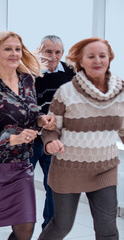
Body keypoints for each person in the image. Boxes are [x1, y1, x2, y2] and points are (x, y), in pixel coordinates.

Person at [0, 31, 55, 240]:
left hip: (20, 164)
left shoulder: (27, 80)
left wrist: (40, 120)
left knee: (25, 229)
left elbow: (28, 115)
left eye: (17, 49)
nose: (14, 53)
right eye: (8, 49)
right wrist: (14, 138)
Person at [38, 38, 122, 240]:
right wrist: (50, 142)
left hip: (105, 168)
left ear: (109, 58)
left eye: (102, 56)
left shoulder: (121, 92)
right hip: (69, 168)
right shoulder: (66, 92)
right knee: (61, 226)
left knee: (108, 230)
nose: (97, 60)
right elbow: (50, 128)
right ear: (80, 61)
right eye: (90, 56)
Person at [30, 35, 75, 230]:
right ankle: (22, 227)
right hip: (30, 138)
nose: (53, 56)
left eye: (57, 52)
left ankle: (48, 230)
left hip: (55, 139)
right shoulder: (29, 72)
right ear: (40, 51)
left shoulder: (70, 73)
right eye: (48, 51)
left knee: (53, 187)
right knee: (21, 185)